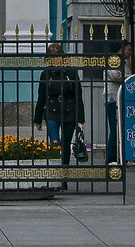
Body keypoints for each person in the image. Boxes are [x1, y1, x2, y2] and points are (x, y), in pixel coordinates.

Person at [33, 41, 85, 178]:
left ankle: (64, 173)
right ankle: (55, 172)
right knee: (55, 142)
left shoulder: (71, 72)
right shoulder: (46, 74)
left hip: (69, 112)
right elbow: (41, 96)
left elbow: (78, 96)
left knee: (66, 144)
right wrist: (37, 119)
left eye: (57, 56)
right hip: (52, 111)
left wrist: (80, 120)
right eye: (52, 57)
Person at [105, 43, 133, 161]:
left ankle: (122, 157)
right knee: (116, 128)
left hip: (122, 98)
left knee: (123, 128)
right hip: (113, 98)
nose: (130, 52)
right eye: (128, 49)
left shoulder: (125, 63)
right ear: (120, 49)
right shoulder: (113, 61)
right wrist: (131, 77)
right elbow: (116, 76)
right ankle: (112, 158)